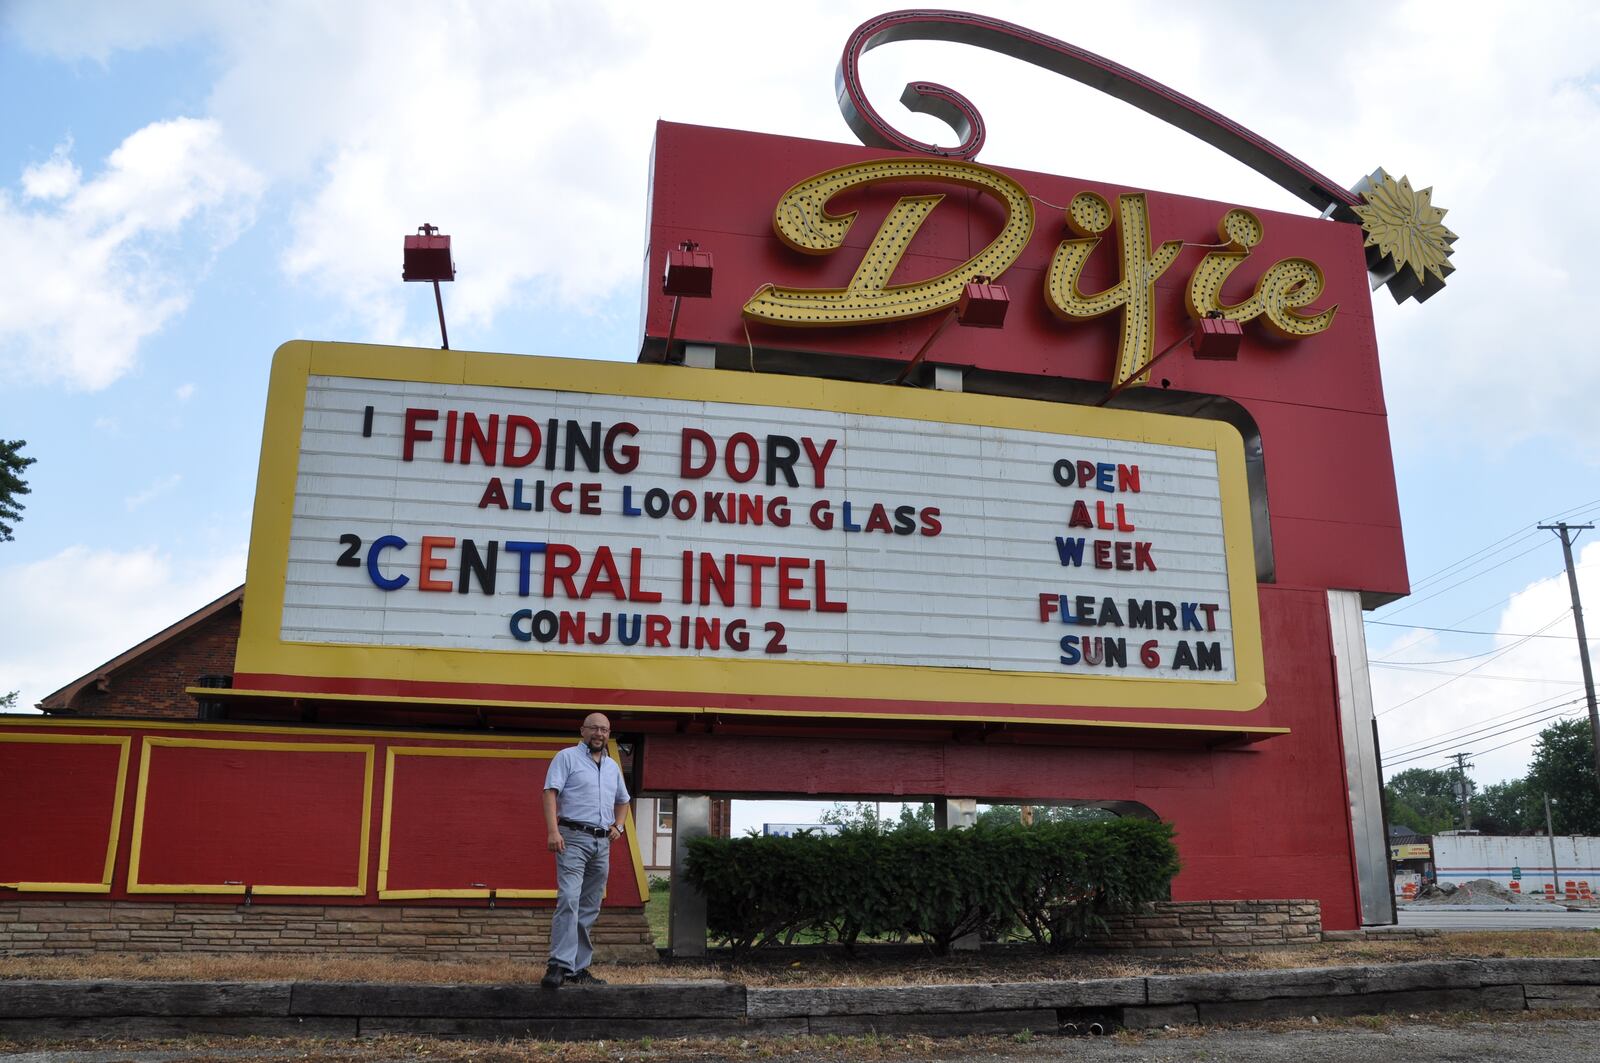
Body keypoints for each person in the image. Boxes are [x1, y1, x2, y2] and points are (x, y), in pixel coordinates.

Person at [541, 712, 630, 989]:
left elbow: (623, 800)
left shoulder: (613, 767)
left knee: (590, 904)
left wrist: (620, 826)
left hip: (602, 843)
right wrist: (553, 831)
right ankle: (558, 964)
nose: (599, 734)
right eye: (594, 728)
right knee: (569, 897)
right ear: (583, 730)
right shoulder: (566, 757)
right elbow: (549, 793)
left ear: (608, 733)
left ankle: (577, 968)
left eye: (604, 730)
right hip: (572, 837)